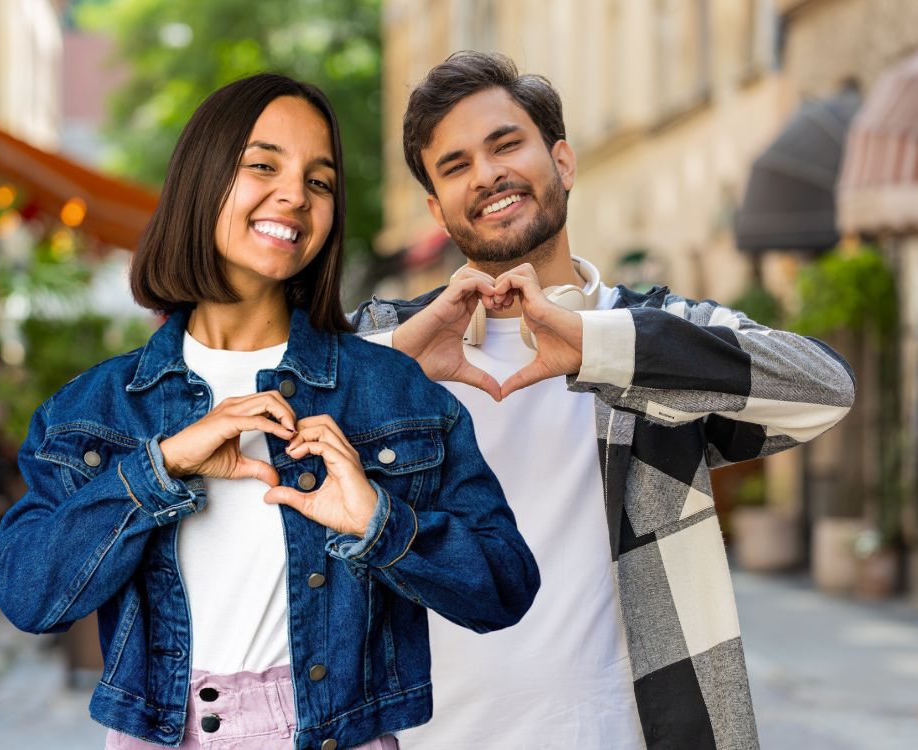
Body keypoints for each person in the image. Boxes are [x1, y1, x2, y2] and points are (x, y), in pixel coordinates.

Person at [0, 73, 540, 750]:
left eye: (320, 181)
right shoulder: (92, 409)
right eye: (262, 165)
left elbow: (505, 586)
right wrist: (159, 468)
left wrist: (378, 522)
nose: (295, 196)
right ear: (203, 178)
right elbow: (28, 596)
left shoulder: (390, 391)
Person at [349, 51, 856, 750]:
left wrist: (600, 349)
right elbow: (260, 465)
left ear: (563, 162)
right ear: (436, 208)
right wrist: (395, 370)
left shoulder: (653, 340)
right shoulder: (378, 343)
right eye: (456, 165)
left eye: (506, 145)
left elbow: (825, 389)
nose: (488, 175)